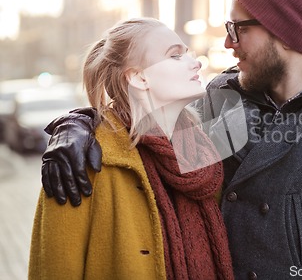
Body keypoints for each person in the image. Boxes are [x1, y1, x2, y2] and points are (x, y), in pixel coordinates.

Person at [40, 0, 302, 279]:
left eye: (237, 29)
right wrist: (79, 125)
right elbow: (149, 138)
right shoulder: (222, 96)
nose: (228, 44)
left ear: (284, 31)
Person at [29, 18, 234, 280]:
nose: (195, 63)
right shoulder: (82, 159)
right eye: (175, 56)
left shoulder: (203, 156)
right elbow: (55, 269)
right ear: (139, 77)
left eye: (188, 54)